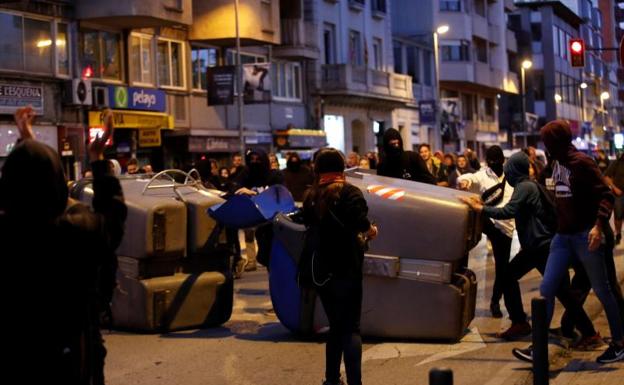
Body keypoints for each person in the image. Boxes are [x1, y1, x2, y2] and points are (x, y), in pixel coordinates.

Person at [1, 107, 127, 384]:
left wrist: (27, 145)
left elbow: (28, 187)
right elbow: (114, 217)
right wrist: (97, 158)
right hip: (73, 360)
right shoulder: (79, 230)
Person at [512, 120, 624, 364]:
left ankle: (619, 343)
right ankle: (538, 348)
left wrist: (598, 226)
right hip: (562, 237)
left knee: (604, 290)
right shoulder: (555, 163)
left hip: (586, 235)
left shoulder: (582, 163)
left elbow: (605, 195)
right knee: (546, 290)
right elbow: (543, 186)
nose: (545, 146)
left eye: (547, 142)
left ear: (556, 142)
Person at [460, 152, 600, 343]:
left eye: (509, 167)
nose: (506, 172)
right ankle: (520, 322)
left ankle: (588, 333)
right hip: (536, 246)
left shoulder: (525, 187)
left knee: (559, 291)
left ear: (515, 169)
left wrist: (481, 209)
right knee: (512, 277)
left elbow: (508, 211)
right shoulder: (527, 185)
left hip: (539, 247)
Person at [302, 148, 378, 385]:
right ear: (342, 168)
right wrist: (372, 231)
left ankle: (332, 379)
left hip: (322, 273)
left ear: (318, 169)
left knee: (335, 326)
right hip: (347, 269)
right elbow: (363, 224)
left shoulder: (311, 196)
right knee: (351, 328)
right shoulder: (350, 193)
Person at [457, 146, 514, 318]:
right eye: (492, 160)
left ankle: (496, 300)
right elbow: (470, 177)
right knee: (503, 267)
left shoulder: (510, 175)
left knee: (503, 268)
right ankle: (496, 302)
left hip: (508, 227)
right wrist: (465, 182)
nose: (495, 163)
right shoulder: (483, 174)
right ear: (488, 161)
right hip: (491, 223)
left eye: (497, 160)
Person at [604, 153, 624, 244]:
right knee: (618, 216)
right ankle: (618, 233)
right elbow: (606, 177)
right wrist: (615, 188)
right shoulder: (617, 163)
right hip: (618, 194)